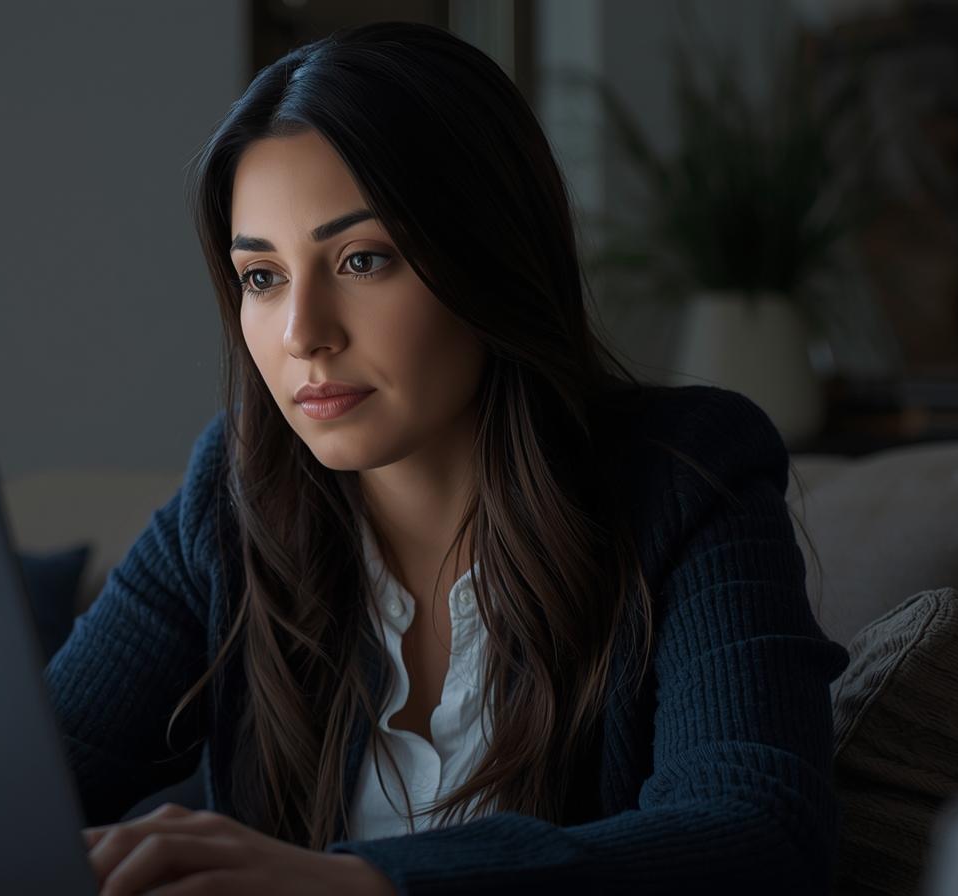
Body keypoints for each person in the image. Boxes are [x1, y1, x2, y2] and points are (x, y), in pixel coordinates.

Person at [46, 20, 848, 896]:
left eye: (363, 259)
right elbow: (33, 786)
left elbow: (759, 837)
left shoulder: (689, 479)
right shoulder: (234, 493)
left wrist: (360, 885)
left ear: (488, 259)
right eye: (262, 277)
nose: (302, 334)